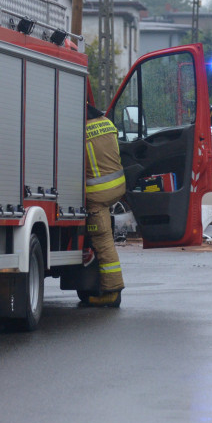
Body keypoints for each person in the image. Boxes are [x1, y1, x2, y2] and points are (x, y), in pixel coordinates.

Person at [83, 104, 126, 306]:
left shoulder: (81, 132)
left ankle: (112, 292)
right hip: (118, 186)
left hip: (97, 195)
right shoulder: (108, 124)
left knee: (103, 240)